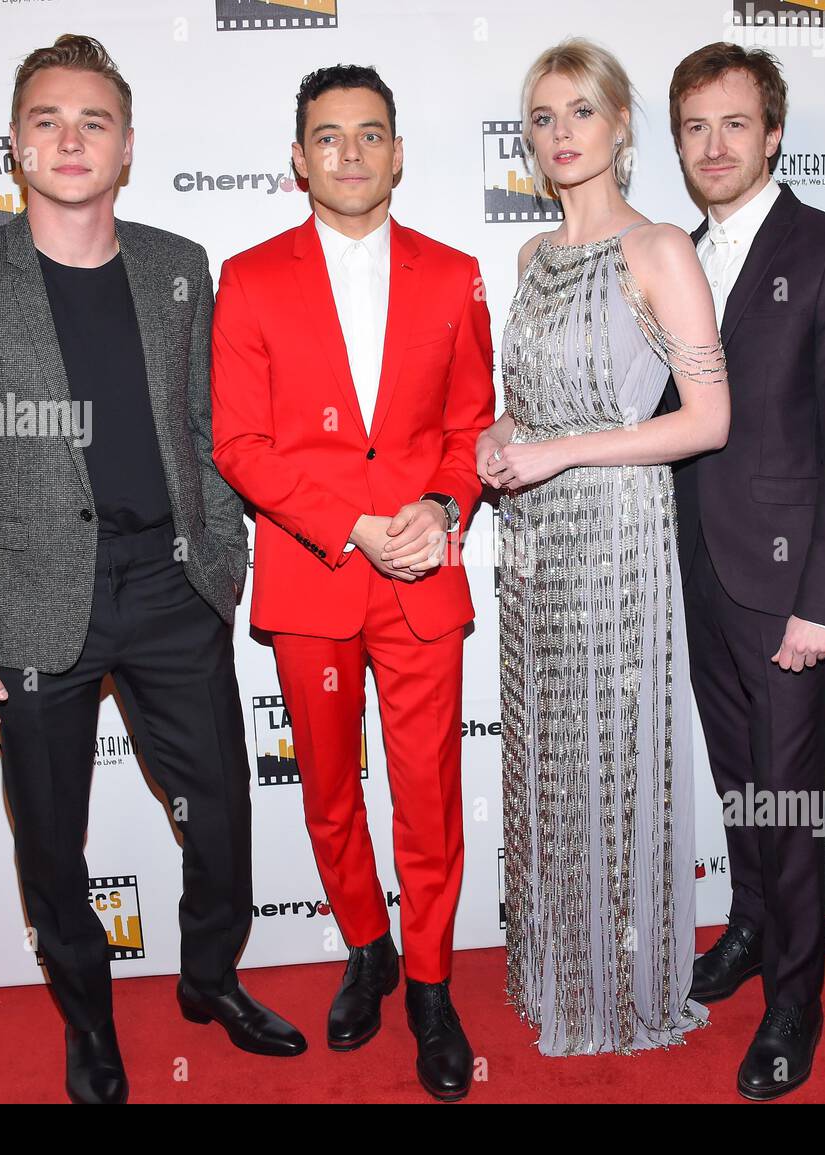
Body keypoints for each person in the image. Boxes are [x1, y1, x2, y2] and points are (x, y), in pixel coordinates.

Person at [0, 35, 305, 1106]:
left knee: (220, 807)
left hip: (173, 586)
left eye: (93, 121)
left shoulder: (178, 266)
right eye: (47, 119)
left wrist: (221, 560)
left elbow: (210, 425)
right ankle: (88, 1020)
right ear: (16, 144)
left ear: (127, 146)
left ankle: (210, 979)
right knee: (51, 835)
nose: (70, 138)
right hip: (30, 602)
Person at [210, 65, 495, 1102]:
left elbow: (469, 428)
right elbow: (237, 443)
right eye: (327, 137)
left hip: (421, 579)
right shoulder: (248, 277)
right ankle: (366, 946)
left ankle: (429, 985)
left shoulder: (454, 271)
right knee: (330, 795)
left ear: (398, 152)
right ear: (299, 157)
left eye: (369, 134)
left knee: (428, 797)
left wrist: (444, 508)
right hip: (312, 576)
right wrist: (352, 524)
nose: (349, 153)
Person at [479, 37, 731, 1056]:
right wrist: (503, 436)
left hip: (617, 536)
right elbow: (521, 409)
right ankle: (556, 966)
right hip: (533, 540)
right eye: (541, 118)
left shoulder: (659, 247)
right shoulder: (529, 256)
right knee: (546, 755)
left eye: (579, 112)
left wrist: (557, 454)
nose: (560, 135)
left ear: (621, 125)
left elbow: (707, 419)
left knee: (612, 758)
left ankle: (622, 984)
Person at [656, 44, 825, 1100]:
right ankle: (751, 925)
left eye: (734, 124)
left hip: (788, 584)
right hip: (695, 572)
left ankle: (794, 998)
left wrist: (821, 606)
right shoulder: (673, 255)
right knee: (744, 785)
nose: (713, 145)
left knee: (788, 803)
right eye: (695, 126)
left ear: (775, 131)